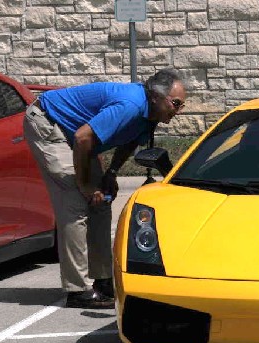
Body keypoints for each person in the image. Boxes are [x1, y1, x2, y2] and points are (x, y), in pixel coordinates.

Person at [23, 68, 187, 308]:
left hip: (78, 138)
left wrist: (111, 173)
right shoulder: (130, 105)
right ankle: (77, 289)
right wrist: (85, 184)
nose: (179, 110)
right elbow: (82, 137)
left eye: (181, 104)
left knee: (101, 202)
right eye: (175, 103)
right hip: (49, 124)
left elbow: (130, 141)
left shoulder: (149, 115)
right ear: (155, 96)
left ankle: (102, 280)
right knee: (77, 203)